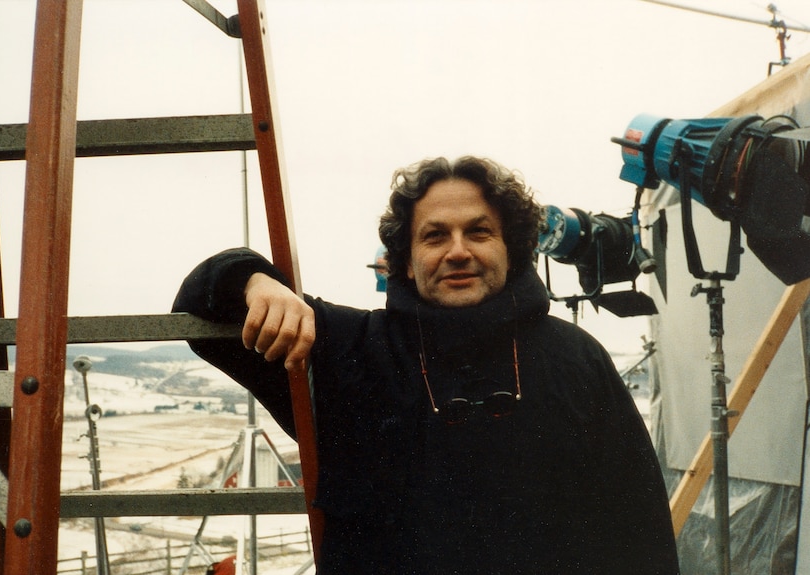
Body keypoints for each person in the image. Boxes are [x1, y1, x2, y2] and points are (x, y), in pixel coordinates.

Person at [173, 156, 680, 574]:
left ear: (513, 248)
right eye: (435, 236)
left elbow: (640, 531)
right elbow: (197, 304)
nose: (457, 251)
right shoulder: (345, 351)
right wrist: (257, 280)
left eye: (479, 232)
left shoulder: (576, 357)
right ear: (406, 260)